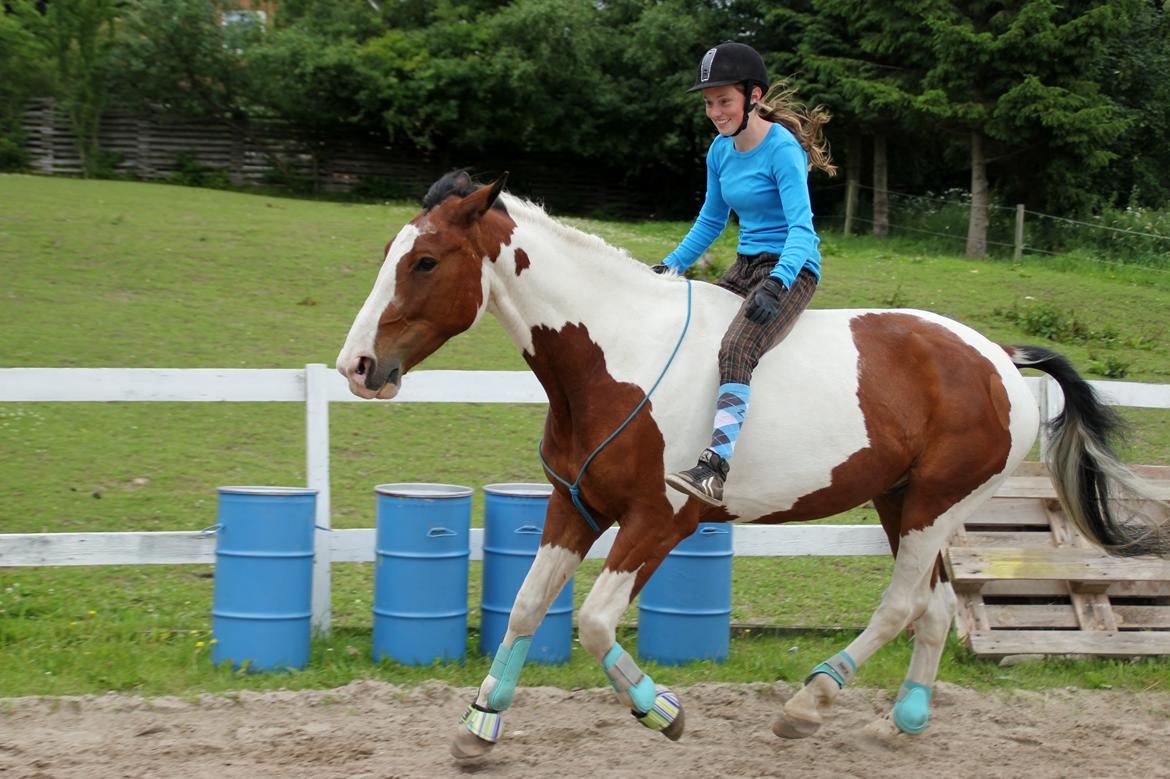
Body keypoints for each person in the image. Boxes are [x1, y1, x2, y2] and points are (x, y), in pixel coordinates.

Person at [656, 41, 837, 507]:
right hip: (745, 264)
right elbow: (711, 221)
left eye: (724, 101)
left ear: (753, 96)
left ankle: (714, 469)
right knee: (689, 326)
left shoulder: (782, 150)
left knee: (737, 346)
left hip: (791, 268)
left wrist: (779, 282)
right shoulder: (720, 151)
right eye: (709, 103)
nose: (716, 112)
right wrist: (671, 266)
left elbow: (802, 228)